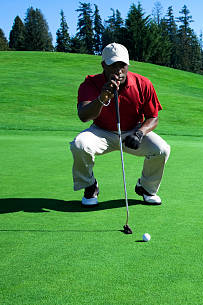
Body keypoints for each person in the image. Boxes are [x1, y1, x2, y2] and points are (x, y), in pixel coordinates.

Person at [70, 43, 170, 206]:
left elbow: (153, 117)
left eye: (122, 65)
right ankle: (89, 186)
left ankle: (146, 188)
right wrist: (102, 98)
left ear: (128, 65)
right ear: (103, 65)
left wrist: (140, 133)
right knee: (79, 144)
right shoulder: (90, 84)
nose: (118, 70)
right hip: (101, 132)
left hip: (133, 132)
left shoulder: (142, 84)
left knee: (161, 149)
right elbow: (84, 116)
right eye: (112, 65)